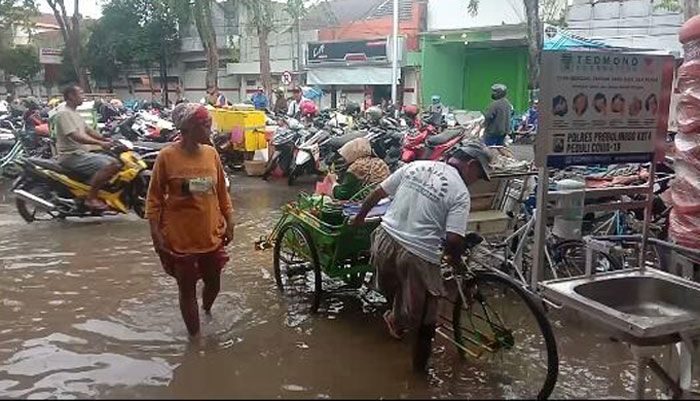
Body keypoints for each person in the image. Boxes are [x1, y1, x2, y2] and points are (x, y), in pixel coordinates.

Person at [352, 142, 492, 372]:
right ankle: (419, 378)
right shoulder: (460, 192)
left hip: (384, 240)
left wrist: (359, 219)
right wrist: (455, 263)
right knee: (426, 326)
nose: (476, 180)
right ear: (471, 165)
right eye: (479, 175)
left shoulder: (415, 166)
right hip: (417, 254)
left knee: (396, 286)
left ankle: (396, 317)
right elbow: (454, 241)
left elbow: (377, 193)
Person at [146, 102, 234, 339]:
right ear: (188, 128)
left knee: (213, 283)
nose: (209, 130)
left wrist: (229, 219)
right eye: (204, 125)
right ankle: (195, 341)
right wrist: (156, 234)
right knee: (186, 290)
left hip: (210, 233)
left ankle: (206, 310)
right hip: (180, 237)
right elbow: (154, 199)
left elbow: (221, 192)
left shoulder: (211, 154)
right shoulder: (167, 157)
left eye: (209, 124)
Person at [55, 85, 120, 211]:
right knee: (111, 164)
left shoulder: (74, 113)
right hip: (72, 156)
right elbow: (75, 136)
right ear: (71, 96)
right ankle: (91, 198)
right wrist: (100, 143)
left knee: (116, 161)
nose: (83, 97)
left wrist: (106, 139)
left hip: (82, 154)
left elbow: (88, 130)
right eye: (81, 94)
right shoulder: (64, 113)